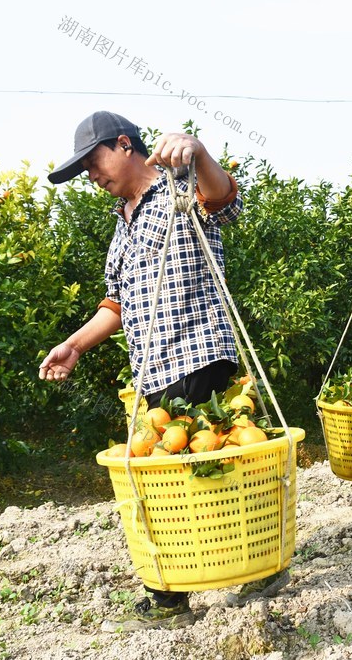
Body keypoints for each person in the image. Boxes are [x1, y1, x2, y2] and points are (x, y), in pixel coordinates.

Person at [39, 111, 287, 631]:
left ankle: (173, 594)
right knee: (191, 468)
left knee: (191, 468)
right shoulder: (122, 221)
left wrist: (197, 149)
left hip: (198, 353)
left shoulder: (179, 186)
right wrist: (74, 346)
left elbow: (224, 200)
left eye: (93, 163)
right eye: (84, 171)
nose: (92, 176)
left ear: (123, 144)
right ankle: (239, 570)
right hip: (153, 370)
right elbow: (116, 303)